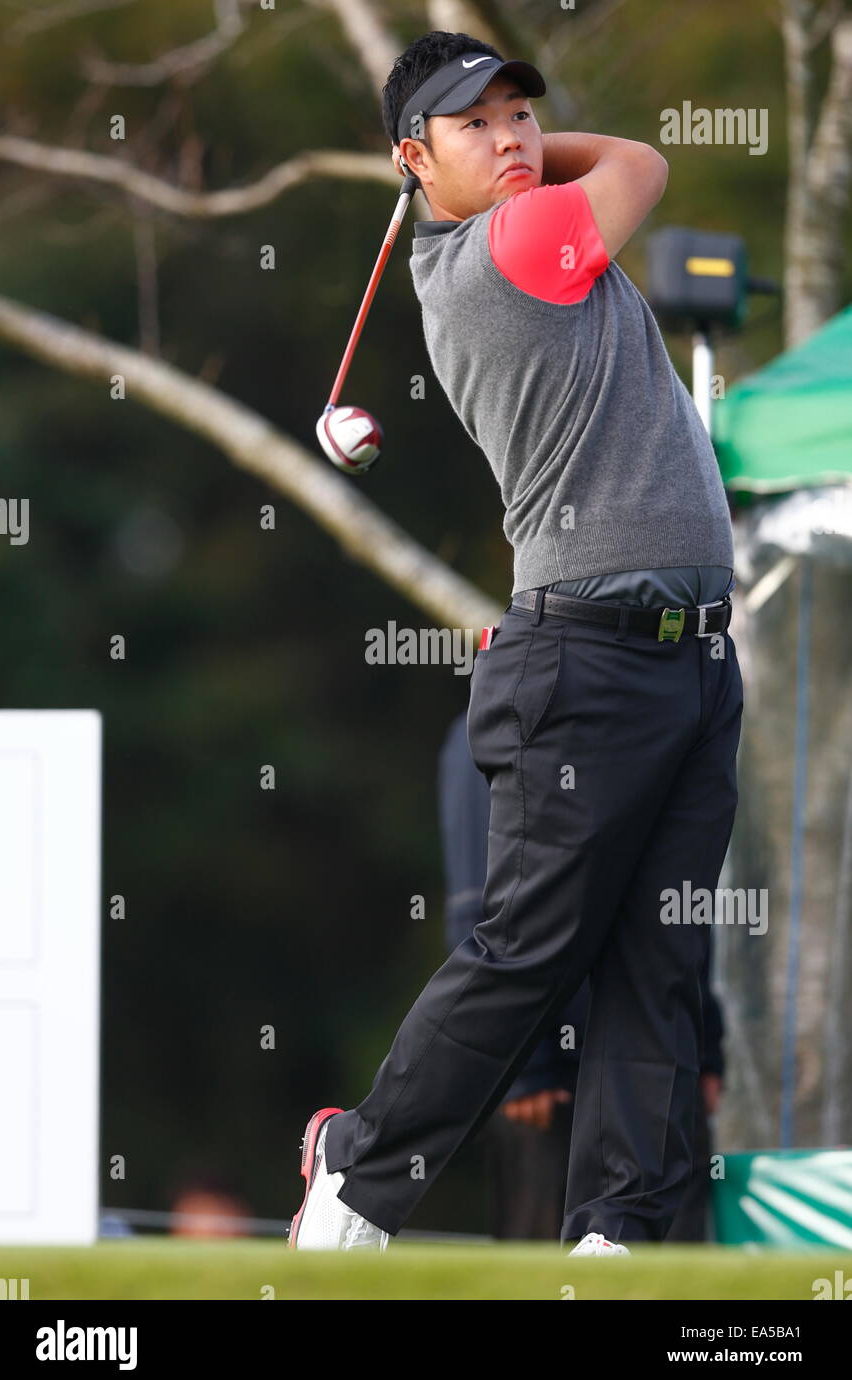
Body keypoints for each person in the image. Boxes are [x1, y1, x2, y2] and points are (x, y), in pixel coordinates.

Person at [289, 29, 744, 1256]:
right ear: (410, 158)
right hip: (586, 658)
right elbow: (643, 162)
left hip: (691, 657)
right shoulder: (510, 246)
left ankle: (613, 1236)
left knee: (656, 957)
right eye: (472, 123)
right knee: (529, 950)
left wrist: (514, 157)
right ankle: (357, 1173)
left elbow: (596, 169)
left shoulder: (517, 223)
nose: (510, 138)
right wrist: (537, 167)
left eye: (518, 116)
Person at [437, 708, 726, 1242]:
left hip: (660, 1057)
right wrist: (523, 1065)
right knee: (547, 1263)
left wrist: (703, 1043)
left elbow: (680, 901)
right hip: (552, 1080)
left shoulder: (667, 709)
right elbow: (480, 903)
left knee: (673, 1263)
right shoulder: (505, 712)